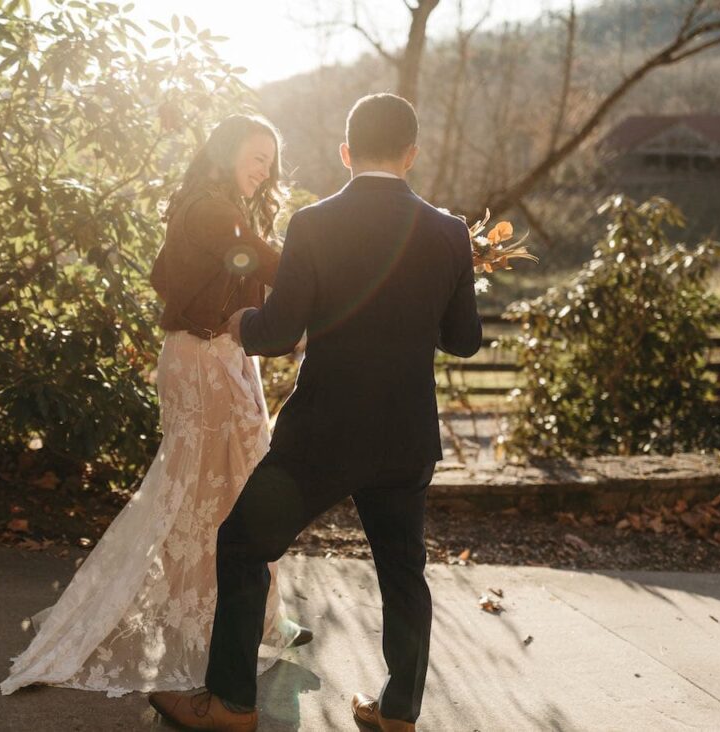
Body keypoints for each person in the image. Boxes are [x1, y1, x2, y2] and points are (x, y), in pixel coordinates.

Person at [148, 93, 483, 731]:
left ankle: (229, 705)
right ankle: (398, 714)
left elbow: (277, 331)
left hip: (321, 439)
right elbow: (463, 338)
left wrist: (243, 322)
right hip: (406, 437)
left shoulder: (315, 225)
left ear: (346, 153)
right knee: (404, 572)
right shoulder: (448, 233)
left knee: (243, 545)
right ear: (412, 155)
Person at [0, 114, 311, 699]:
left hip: (220, 356)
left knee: (230, 483)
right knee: (209, 487)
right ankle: (203, 619)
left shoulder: (219, 207)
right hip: (201, 360)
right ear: (226, 153)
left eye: (271, 159)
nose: (264, 167)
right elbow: (267, 263)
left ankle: (256, 615)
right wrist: (329, 265)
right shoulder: (211, 210)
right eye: (256, 154)